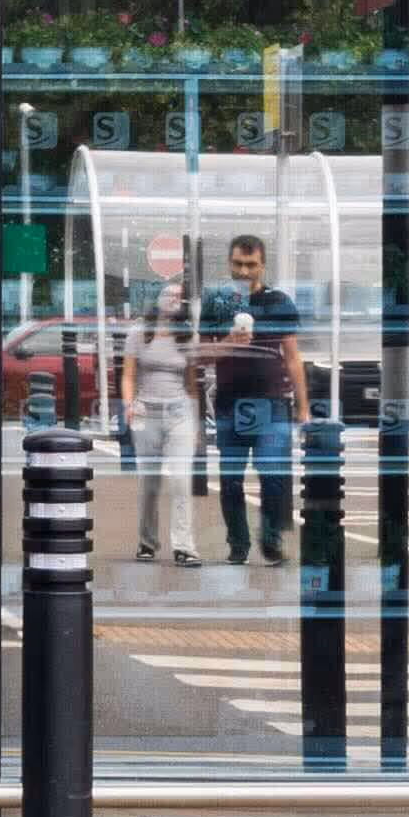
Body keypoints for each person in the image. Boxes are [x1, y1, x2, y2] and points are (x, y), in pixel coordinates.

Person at [200, 232, 306, 566]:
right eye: (237, 264)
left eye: (251, 265)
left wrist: (303, 406)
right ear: (229, 262)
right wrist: (230, 340)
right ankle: (238, 544)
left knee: (273, 475)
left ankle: (270, 539)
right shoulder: (216, 301)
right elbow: (202, 354)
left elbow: (292, 357)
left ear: (262, 264)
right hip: (230, 403)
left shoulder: (279, 302)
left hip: (271, 402)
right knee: (231, 480)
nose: (244, 272)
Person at [121, 271, 203, 567]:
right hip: (146, 413)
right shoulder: (139, 332)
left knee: (181, 480)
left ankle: (185, 547)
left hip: (179, 413)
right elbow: (128, 376)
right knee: (150, 483)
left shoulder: (188, 336)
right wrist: (130, 404)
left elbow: (193, 385)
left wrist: (196, 424)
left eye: (178, 297)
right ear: (157, 300)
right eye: (168, 294)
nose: (173, 299)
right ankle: (147, 542)